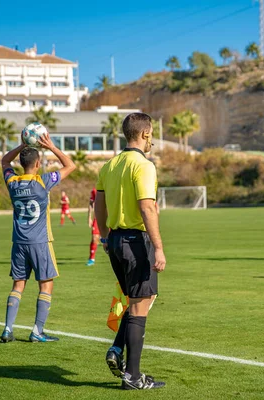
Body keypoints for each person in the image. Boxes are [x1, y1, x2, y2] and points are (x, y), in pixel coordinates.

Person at [94, 112, 166, 390]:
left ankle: (116, 349)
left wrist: (103, 236)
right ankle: (133, 377)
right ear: (146, 133)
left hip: (114, 240)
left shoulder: (110, 165)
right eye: (152, 134)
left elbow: (99, 205)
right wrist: (158, 247)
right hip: (136, 242)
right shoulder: (143, 165)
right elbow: (147, 207)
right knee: (139, 305)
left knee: (141, 298)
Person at [0, 131, 76, 343]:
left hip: (18, 243)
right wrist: (51, 146)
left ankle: (7, 329)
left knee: (18, 285)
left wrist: (20, 146)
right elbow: (70, 165)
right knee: (46, 285)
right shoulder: (43, 182)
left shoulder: (12, 182)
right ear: (38, 163)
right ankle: (37, 331)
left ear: (22, 162)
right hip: (40, 242)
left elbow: (5, 160)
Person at [86, 187, 100, 266]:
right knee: (94, 238)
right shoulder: (95, 190)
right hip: (98, 218)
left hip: (109, 218)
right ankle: (92, 258)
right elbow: (91, 204)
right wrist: (89, 218)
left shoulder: (111, 186)